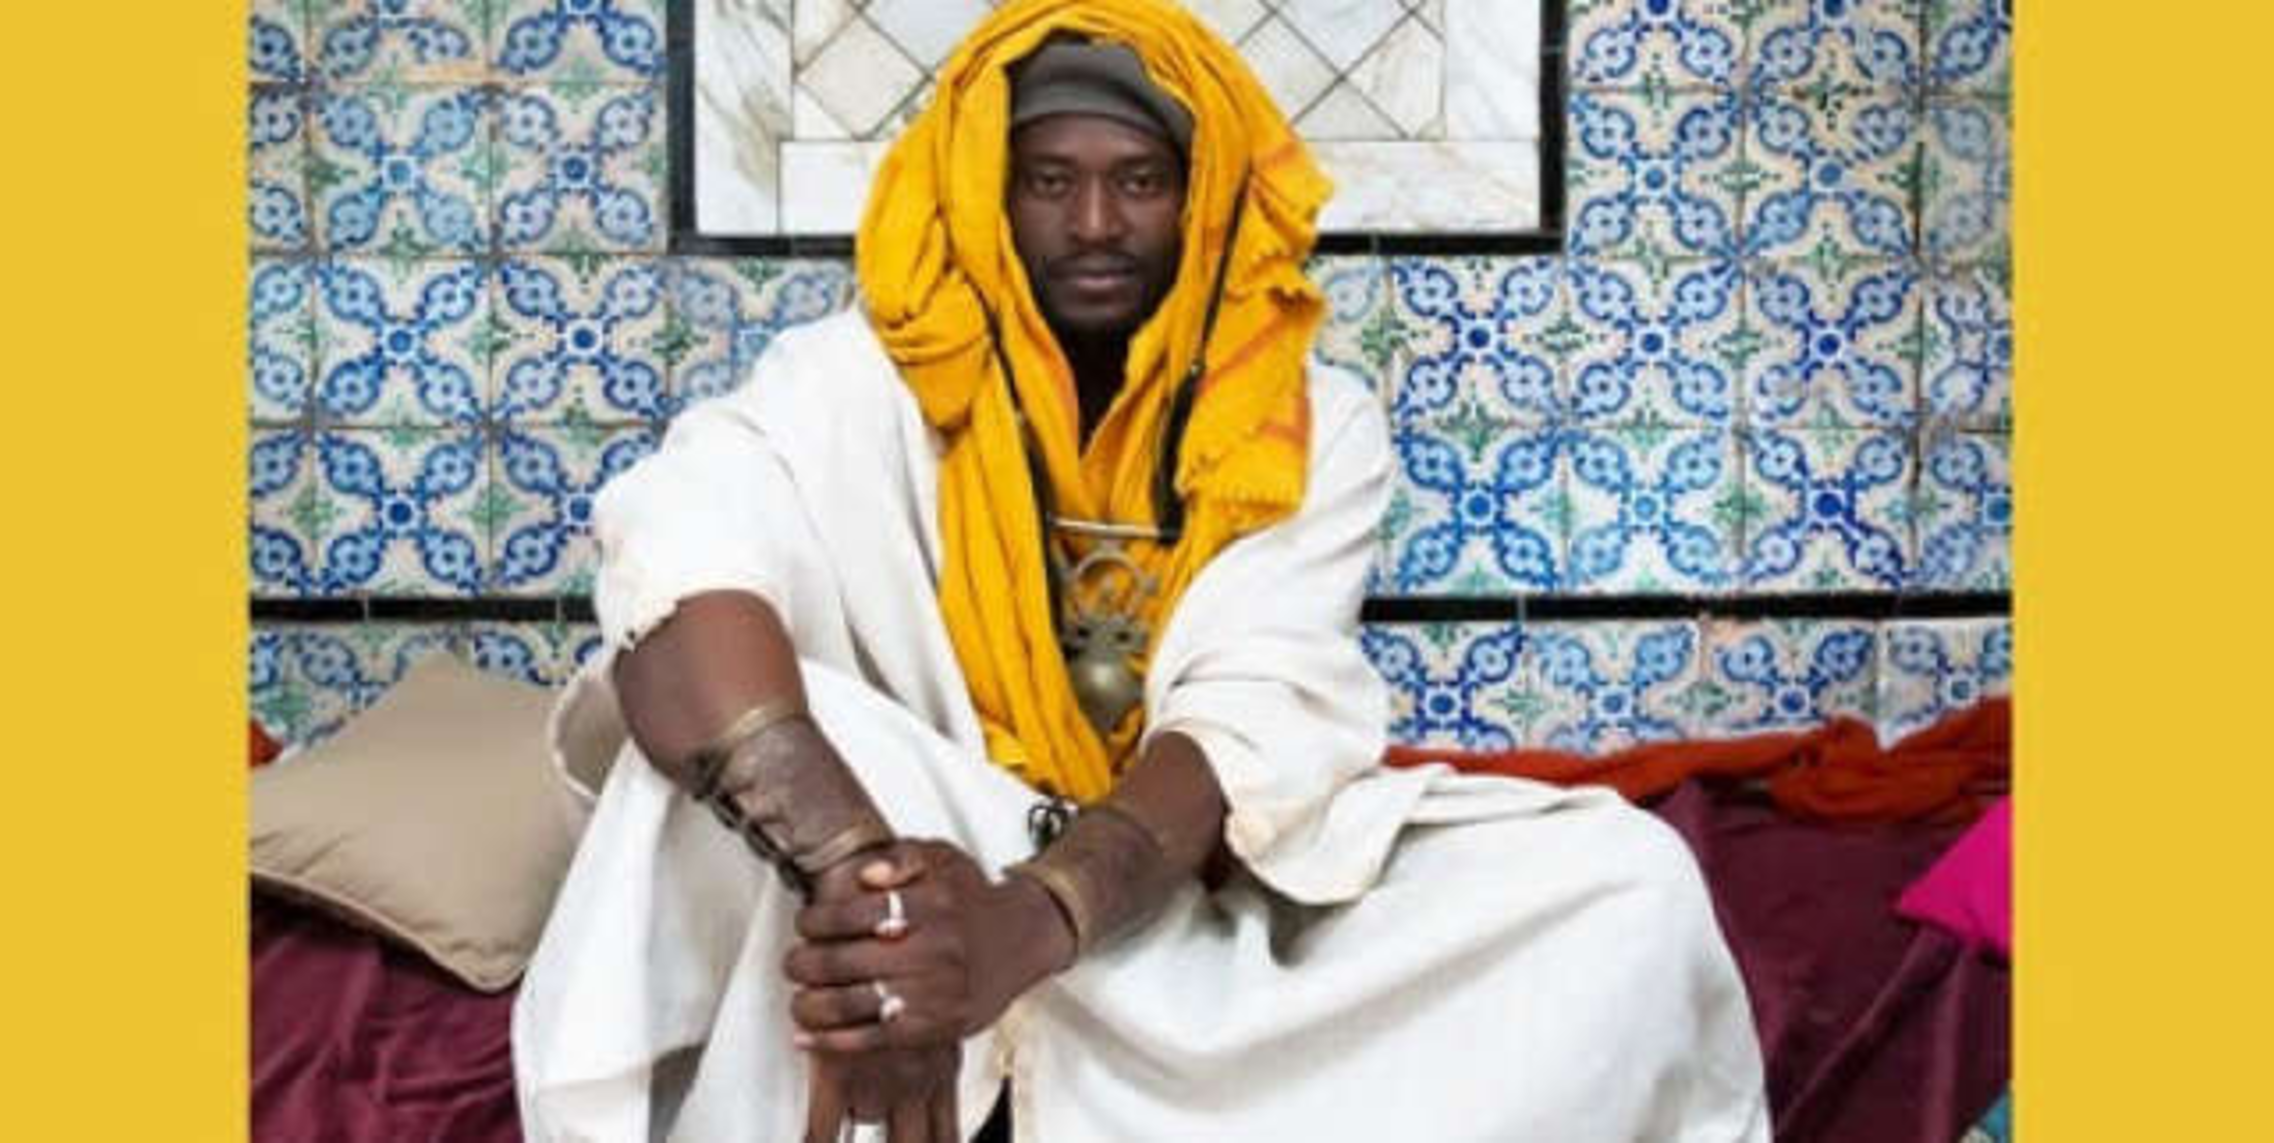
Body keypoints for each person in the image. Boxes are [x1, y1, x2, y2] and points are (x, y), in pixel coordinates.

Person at [512, 1, 1769, 1140]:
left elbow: (1247, 722)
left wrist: (1019, 927)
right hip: (918, 859)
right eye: (1049, 181)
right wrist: (866, 887)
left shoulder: (1306, 421)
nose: (1096, 225)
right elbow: (675, 562)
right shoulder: (852, 381)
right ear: (988, 191)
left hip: (1161, 893)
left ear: (1203, 195)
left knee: (1626, 884)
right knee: (738, 750)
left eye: (1141, 181)